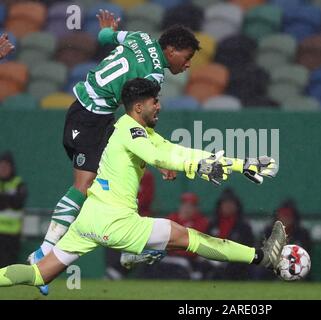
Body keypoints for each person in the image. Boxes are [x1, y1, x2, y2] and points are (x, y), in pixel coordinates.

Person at [0, 78, 283, 290]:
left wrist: (239, 163)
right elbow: (155, 155)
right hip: (115, 222)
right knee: (189, 238)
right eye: (154, 102)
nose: (159, 106)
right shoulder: (130, 130)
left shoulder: (140, 130)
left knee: (38, 273)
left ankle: (142, 252)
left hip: (89, 220)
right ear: (139, 106)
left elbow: (176, 152)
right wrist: (195, 167)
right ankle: (262, 257)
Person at [27, 9, 195, 295]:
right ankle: (43, 252)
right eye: (187, 57)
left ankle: (128, 249)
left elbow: (107, 35)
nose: (188, 64)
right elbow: (136, 120)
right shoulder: (154, 76)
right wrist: (159, 158)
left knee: (122, 176)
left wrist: (107, 30)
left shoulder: (140, 37)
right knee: (84, 185)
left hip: (93, 115)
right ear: (171, 49)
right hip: (89, 118)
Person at [104, 168, 157, 280]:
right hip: (120, 217)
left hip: (139, 218)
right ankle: (113, 271)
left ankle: (119, 272)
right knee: (109, 239)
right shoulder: (120, 172)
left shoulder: (146, 175)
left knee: (138, 248)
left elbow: (147, 199)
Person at [206, 188, 255, 280]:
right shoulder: (213, 224)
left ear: (236, 206)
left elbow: (248, 247)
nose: (227, 206)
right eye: (225, 203)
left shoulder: (243, 226)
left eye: (230, 203)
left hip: (235, 261)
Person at [257, 199, 312, 280]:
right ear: (277, 216)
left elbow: (307, 257)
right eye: (283, 214)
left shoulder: (302, 234)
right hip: (270, 273)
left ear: (294, 217)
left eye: (289, 215)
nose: (286, 218)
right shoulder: (269, 232)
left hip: (296, 272)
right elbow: (261, 256)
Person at [0, 152, 27, 267]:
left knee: (8, 267)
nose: (3, 170)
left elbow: (17, 202)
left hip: (12, 234)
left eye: (6, 167)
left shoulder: (18, 183)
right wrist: (8, 199)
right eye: (1, 167)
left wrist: (4, 198)